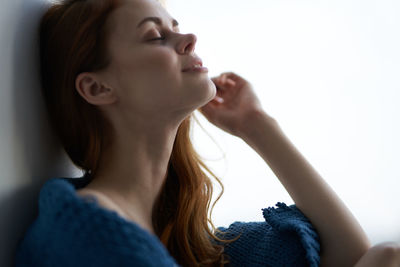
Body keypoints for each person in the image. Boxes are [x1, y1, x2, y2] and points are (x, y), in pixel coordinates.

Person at [13, 0, 399, 266]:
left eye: (175, 28)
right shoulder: (87, 233)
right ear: (98, 88)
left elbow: (350, 255)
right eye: (154, 36)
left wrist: (257, 126)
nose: (188, 39)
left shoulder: (189, 246)